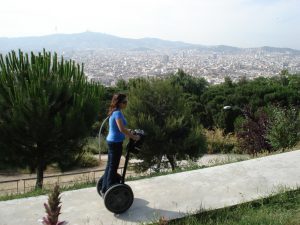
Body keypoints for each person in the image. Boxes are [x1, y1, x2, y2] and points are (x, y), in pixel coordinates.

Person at [101, 93, 140, 194]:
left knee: (110, 165)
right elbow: (121, 129)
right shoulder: (117, 113)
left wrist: (129, 131)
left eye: (126, 101)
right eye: (124, 102)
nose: (126, 103)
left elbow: (119, 128)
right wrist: (134, 137)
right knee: (113, 166)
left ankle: (105, 187)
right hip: (115, 143)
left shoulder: (115, 112)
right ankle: (109, 189)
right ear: (119, 103)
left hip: (112, 141)